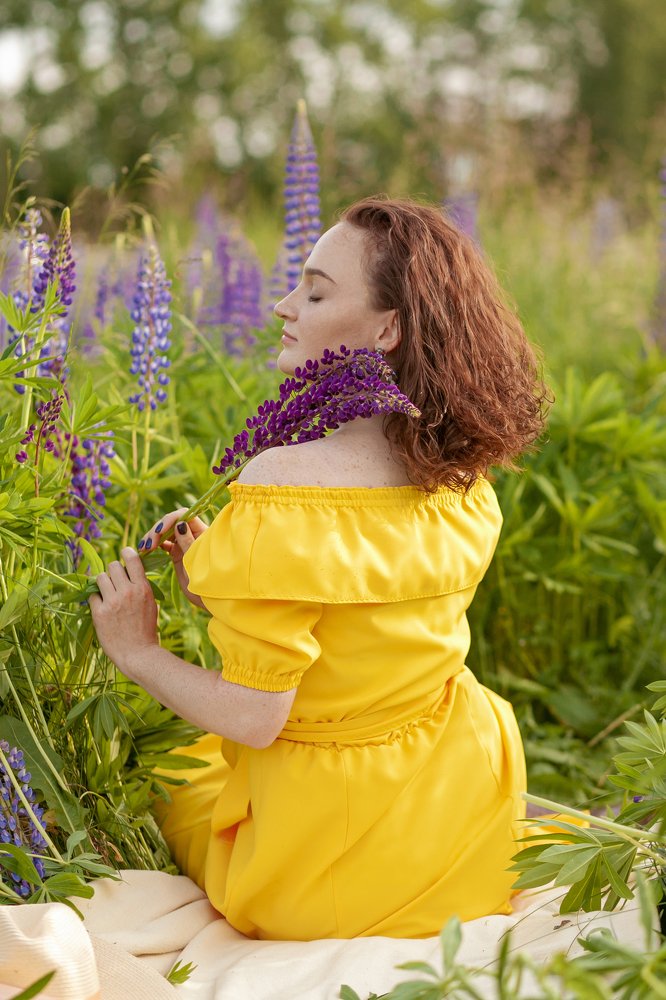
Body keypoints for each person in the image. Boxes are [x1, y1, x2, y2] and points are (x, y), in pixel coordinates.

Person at [89, 196, 548, 941]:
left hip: (325, 857)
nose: (283, 305)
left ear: (387, 329)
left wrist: (136, 651)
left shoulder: (284, 483)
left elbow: (255, 717)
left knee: (180, 776)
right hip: (464, 813)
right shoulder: (462, 478)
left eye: (315, 291)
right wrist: (224, 583)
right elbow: (361, 621)